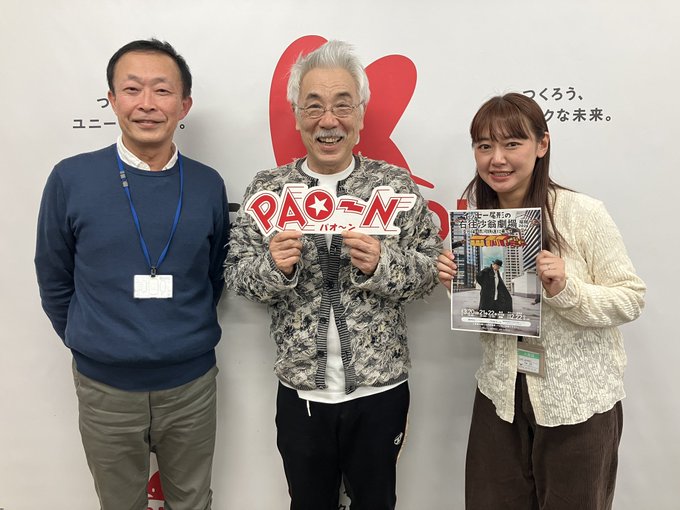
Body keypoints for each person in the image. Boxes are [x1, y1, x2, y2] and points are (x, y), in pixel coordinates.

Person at [224, 40, 441, 510]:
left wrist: (381, 265)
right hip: (301, 391)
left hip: (380, 389)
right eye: (314, 106)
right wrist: (273, 267)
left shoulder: (392, 185)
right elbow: (237, 275)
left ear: (360, 115)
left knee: (376, 502)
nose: (329, 120)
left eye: (343, 105)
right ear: (297, 116)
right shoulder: (269, 188)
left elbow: (431, 271)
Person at [35, 39, 229, 510]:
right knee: (119, 503)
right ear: (112, 99)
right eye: (132, 89)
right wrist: (95, 341)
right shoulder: (71, 179)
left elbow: (214, 275)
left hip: (190, 385)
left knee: (193, 500)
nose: (147, 103)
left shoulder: (207, 184)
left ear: (183, 105)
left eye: (162, 90)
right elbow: (54, 277)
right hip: (105, 388)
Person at [437, 93, 645, 510]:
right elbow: (492, 313)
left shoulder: (581, 213)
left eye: (512, 143)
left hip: (576, 401)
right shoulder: (478, 221)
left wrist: (565, 289)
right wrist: (456, 286)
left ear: (541, 145)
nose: (497, 159)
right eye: (484, 146)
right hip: (500, 396)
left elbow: (631, 298)